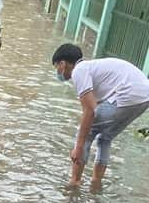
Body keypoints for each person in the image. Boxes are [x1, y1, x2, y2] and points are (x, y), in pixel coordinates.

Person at [52, 43, 149, 191]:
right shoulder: (93, 68)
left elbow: (90, 111)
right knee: (105, 137)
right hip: (143, 98)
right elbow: (96, 105)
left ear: (63, 64)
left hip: (128, 95)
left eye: (56, 67)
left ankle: (74, 183)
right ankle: (96, 183)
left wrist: (78, 147)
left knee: (85, 133)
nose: (57, 71)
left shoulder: (79, 70)